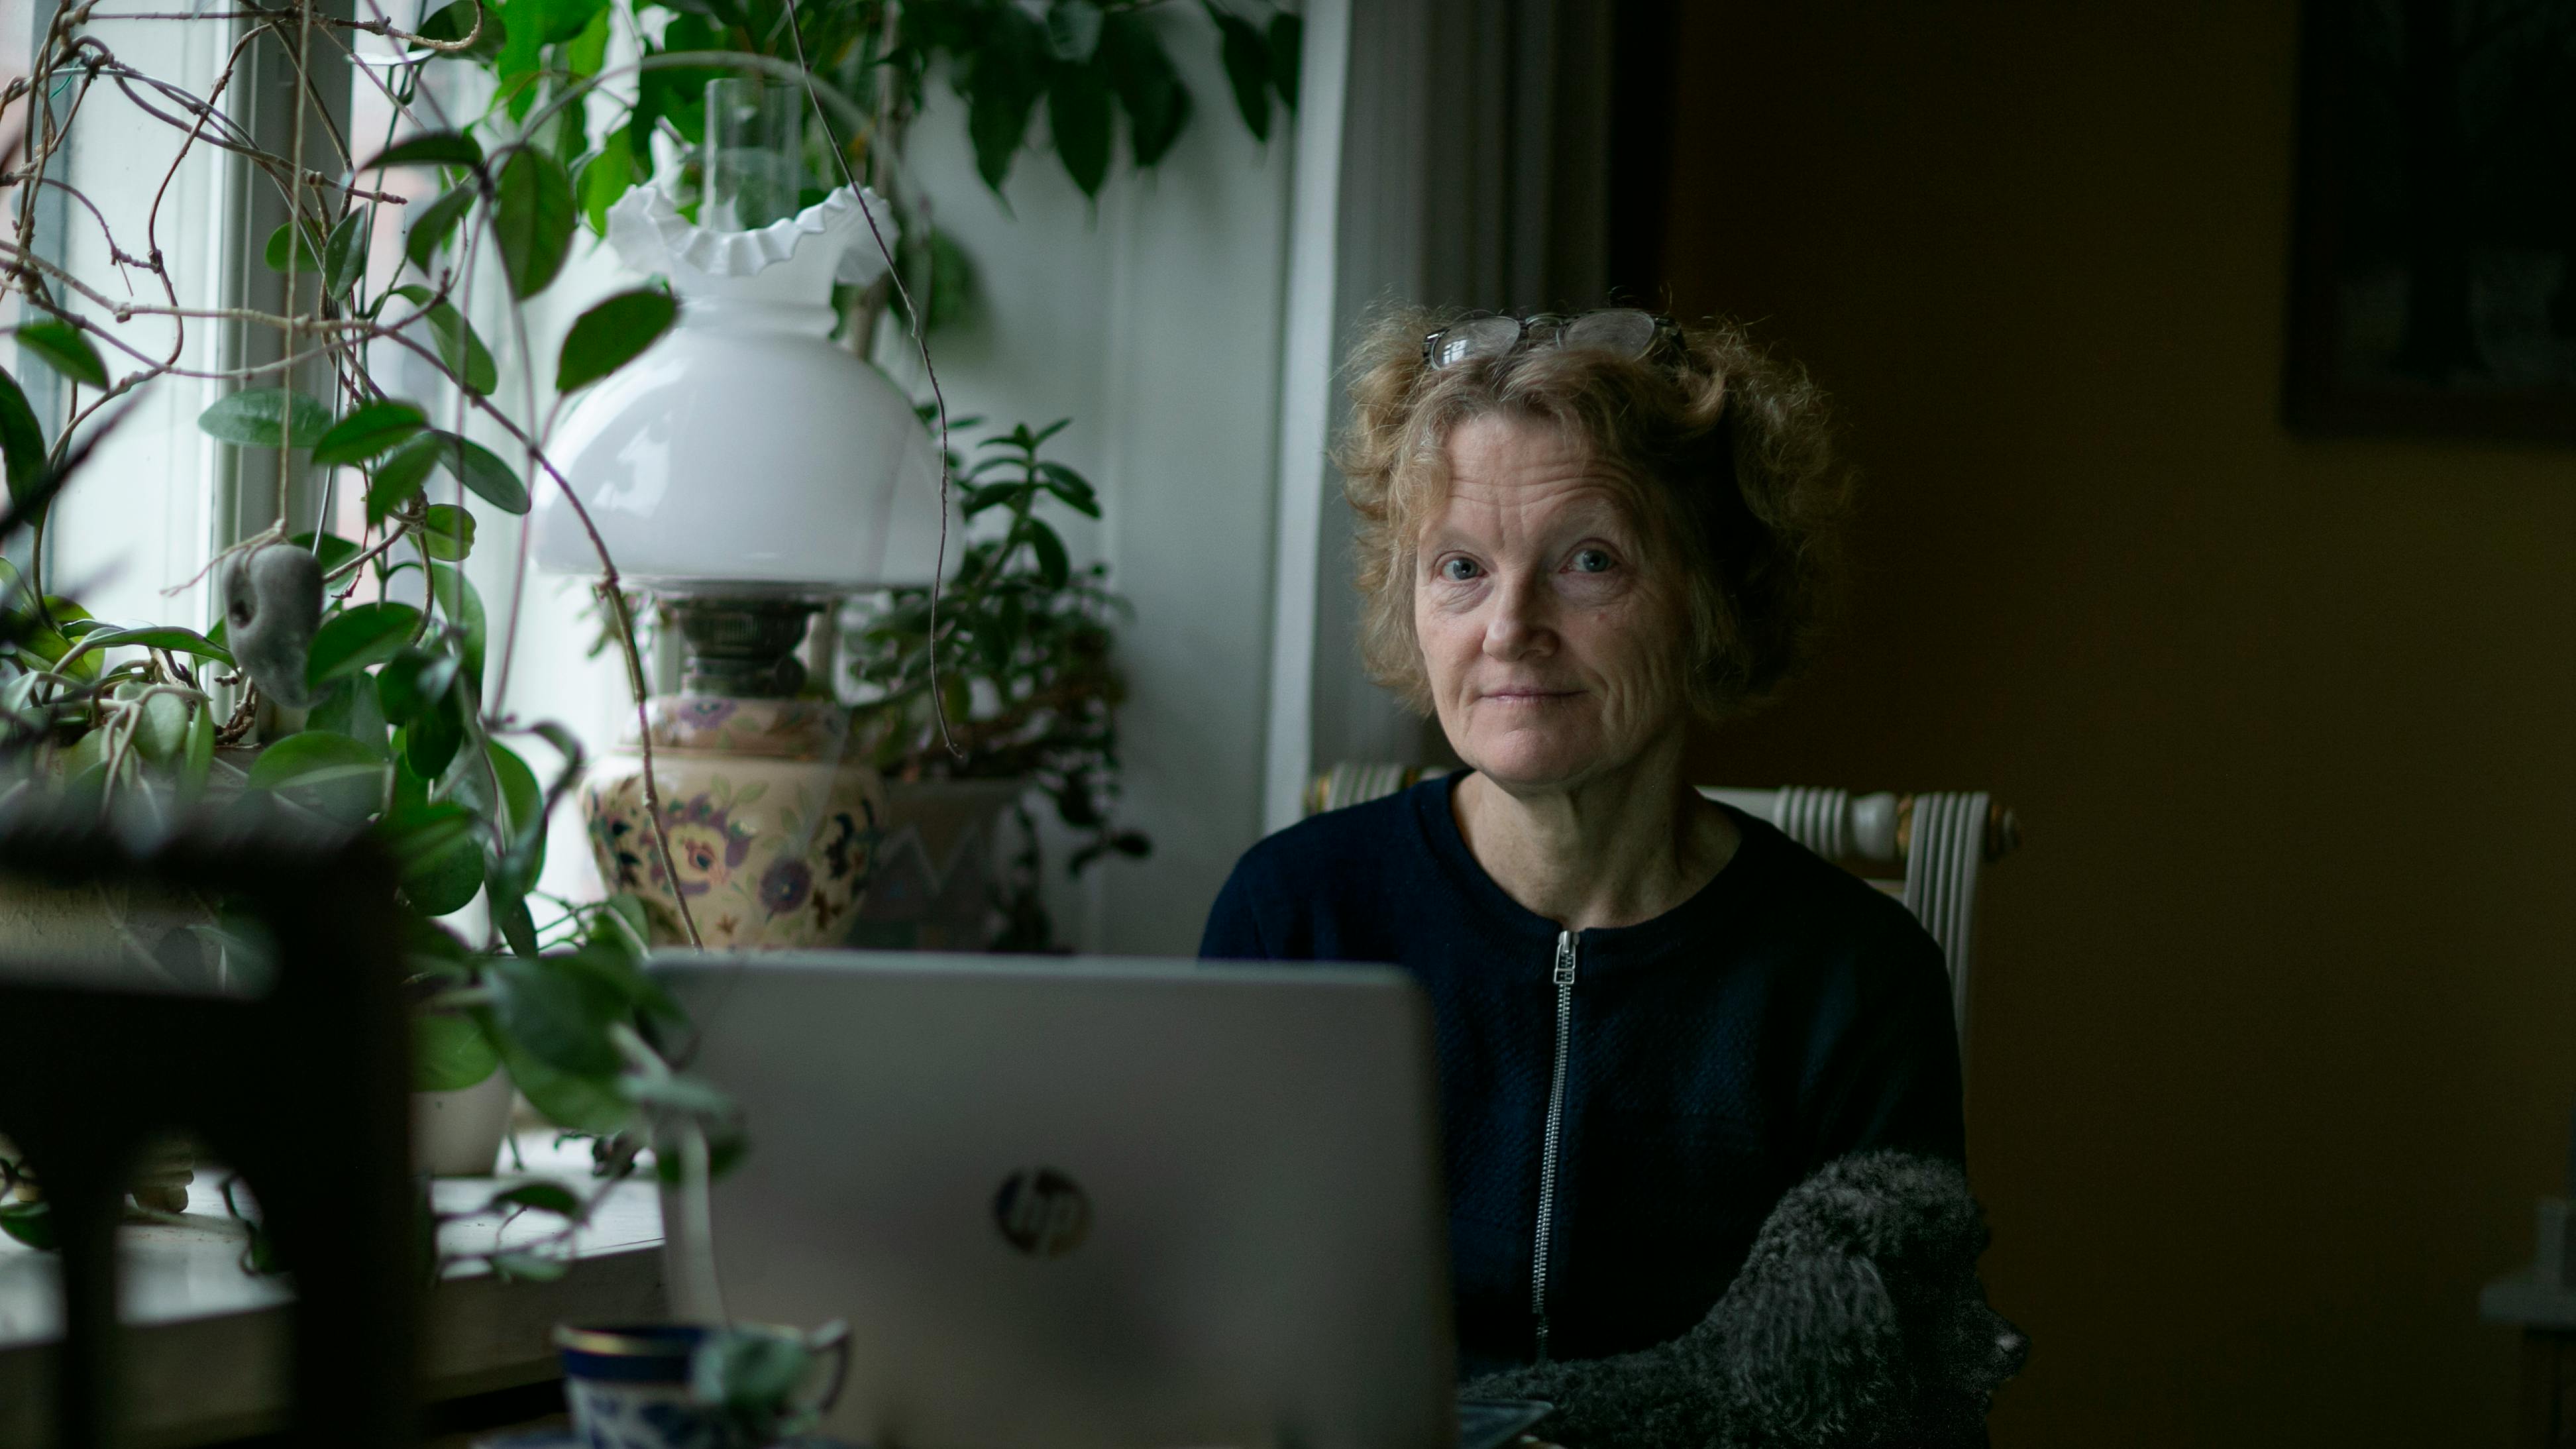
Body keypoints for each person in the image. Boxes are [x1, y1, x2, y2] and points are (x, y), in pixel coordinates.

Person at [1199, 308, 1964, 1379]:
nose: (1509, 627)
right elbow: (1206, 1336)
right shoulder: (1292, 916)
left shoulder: (1853, 982)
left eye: (1589, 561)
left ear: (1714, 597)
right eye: (1460, 567)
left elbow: (1891, 1402)